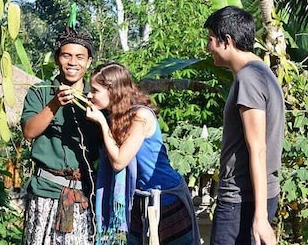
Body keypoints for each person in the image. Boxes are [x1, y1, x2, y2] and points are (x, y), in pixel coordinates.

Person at [85, 62, 201, 245]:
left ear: (113, 90)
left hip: (165, 199)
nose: (89, 95)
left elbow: (119, 162)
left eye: (95, 90)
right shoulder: (116, 117)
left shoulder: (141, 116)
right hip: (138, 200)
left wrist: (101, 122)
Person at [203, 6, 285, 245]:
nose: (208, 47)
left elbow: (257, 148)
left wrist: (260, 217)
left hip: (242, 200)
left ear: (226, 41)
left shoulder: (249, 78)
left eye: (210, 40)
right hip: (255, 195)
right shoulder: (262, 72)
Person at [20, 26, 100, 245]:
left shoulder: (97, 98)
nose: (73, 62)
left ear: (89, 62)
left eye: (80, 57)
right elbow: (29, 132)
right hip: (45, 192)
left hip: (84, 196)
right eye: (66, 55)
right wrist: (54, 104)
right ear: (57, 59)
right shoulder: (40, 91)